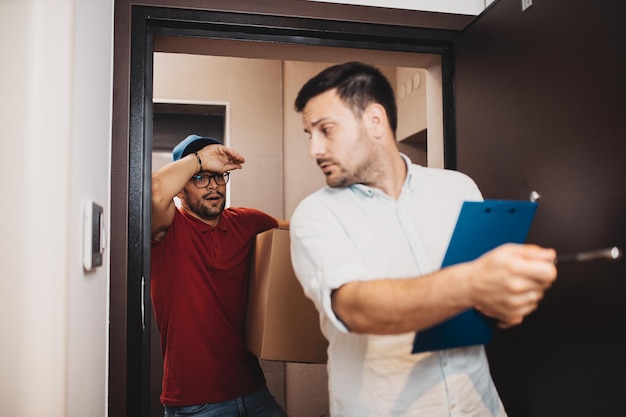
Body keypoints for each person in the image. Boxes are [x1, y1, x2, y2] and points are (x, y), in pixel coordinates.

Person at [289, 62, 557, 417]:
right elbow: (356, 308)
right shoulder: (315, 215)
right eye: (310, 134)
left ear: (374, 120)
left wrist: (511, 295)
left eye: (325, 130)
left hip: (479, 406)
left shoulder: (458, 188)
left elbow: (489, 309)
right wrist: (472, 283)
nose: (315, 149)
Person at [150, 134, 289, 417]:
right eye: (200, 178)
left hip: (252, 389)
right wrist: (200, 159)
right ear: (179, 190)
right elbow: (154, 192)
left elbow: (300, 233)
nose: (213, 186)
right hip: (196, 403)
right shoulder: (166, 230)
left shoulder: (248, 222)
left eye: (218, 177)